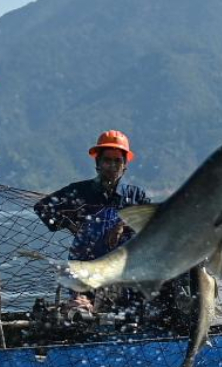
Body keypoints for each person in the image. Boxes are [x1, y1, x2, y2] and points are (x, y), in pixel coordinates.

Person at [34, 130, 150, 312]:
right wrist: (70, 224)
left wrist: (122, 225)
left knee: (130, 313)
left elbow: (151, 222)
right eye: (107, 160)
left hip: (125, 272)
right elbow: (42, 208)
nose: (112, 166)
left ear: (125, 165)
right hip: (86, 270)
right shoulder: (79, 192)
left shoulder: (135, 196)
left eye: (117, 161)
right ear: (98, 163)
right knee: (83, 311)